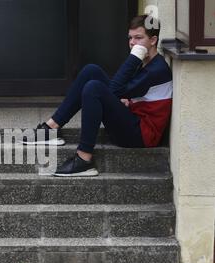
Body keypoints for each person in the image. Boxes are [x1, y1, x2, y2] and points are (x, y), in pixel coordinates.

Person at [23, 15, 172, 177]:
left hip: (140, 136)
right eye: (130, 38)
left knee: (93, 88)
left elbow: (115, 89)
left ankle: (83, 159)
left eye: (138, 38)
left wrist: (134, 57)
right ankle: (51, 128)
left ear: (153, 40)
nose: (132, 43)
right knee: (91, 70)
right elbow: (127, 91)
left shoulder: (156, 69)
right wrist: (128, 99)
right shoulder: (146, 62)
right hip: (133, 119)